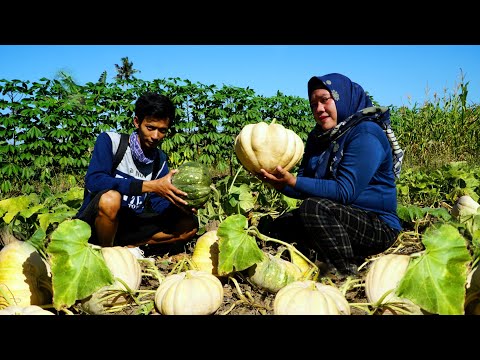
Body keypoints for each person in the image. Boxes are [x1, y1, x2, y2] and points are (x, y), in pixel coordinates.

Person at [258, 73, 403, 276]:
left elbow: (345, 191)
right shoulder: (318, 137)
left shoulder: (366, 133)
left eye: (325, 100)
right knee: (279, 225)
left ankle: (344, 271)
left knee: (313, 208)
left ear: (342, 98)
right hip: (336, 215)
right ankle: (320, 255)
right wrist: (281, 184)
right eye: (313, 104)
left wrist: (294, 181)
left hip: (376, 225)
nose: (319, 109)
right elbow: (304, 185)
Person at [75, 92, 198, 253]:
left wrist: (178, 204)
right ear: (137, 122)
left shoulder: (159, 160)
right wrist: (148, 186)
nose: (155, 136)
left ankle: (130, 246)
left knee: (189, 225)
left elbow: (157, 203)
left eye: (162, 130)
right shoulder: (111, 142)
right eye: (150, 128)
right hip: (96, 224)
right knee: (111, 199)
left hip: (129, 224)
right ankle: (108, 255)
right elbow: (95, 181)